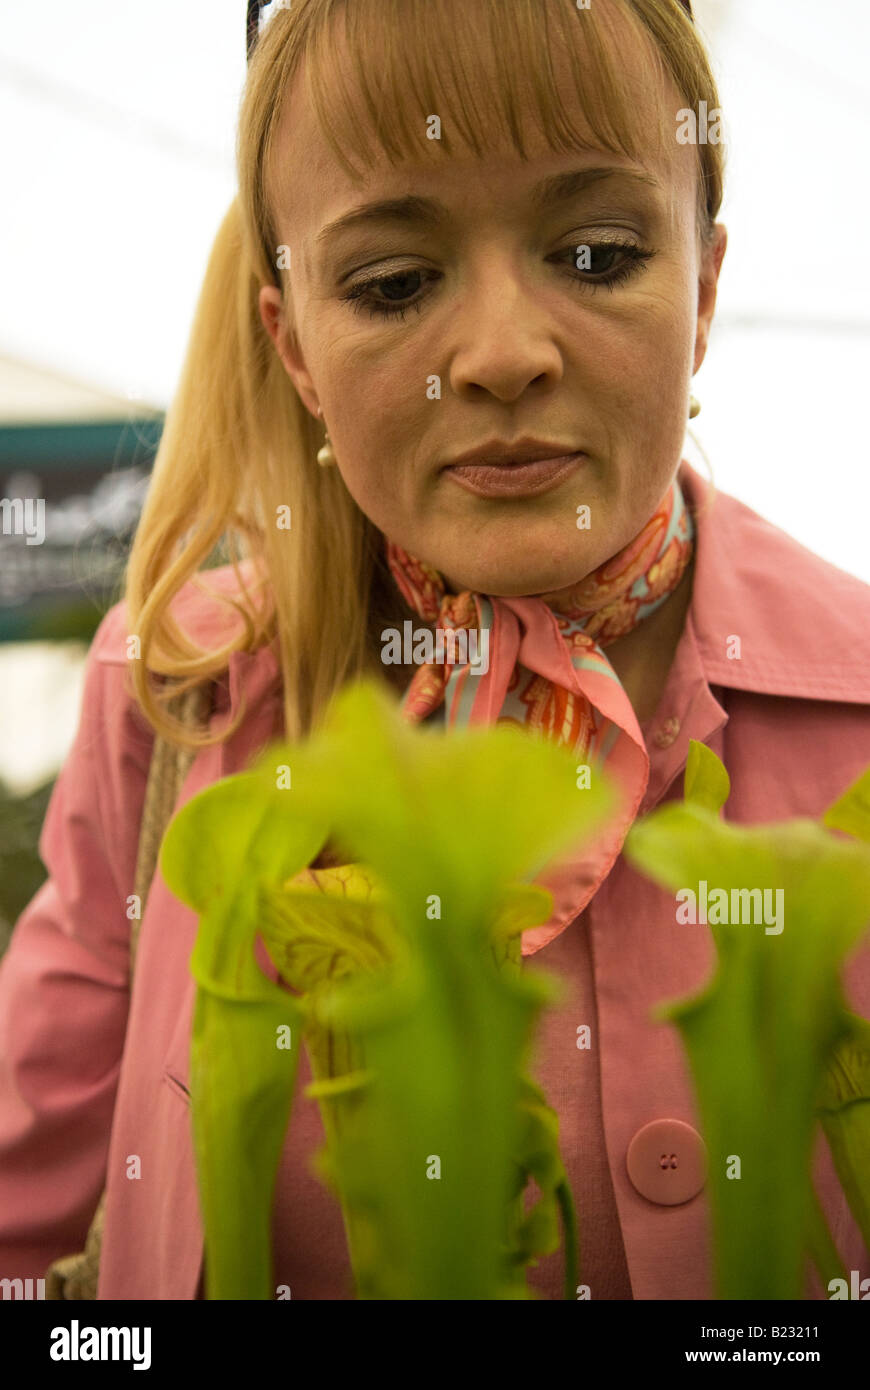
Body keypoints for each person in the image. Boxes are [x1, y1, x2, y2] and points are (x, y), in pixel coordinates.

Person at [1, 0, 869, 1300]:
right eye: (394, 283)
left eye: (593, 252)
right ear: (295, 347)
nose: (503, 355)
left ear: (702, 293)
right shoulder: (172, 699)